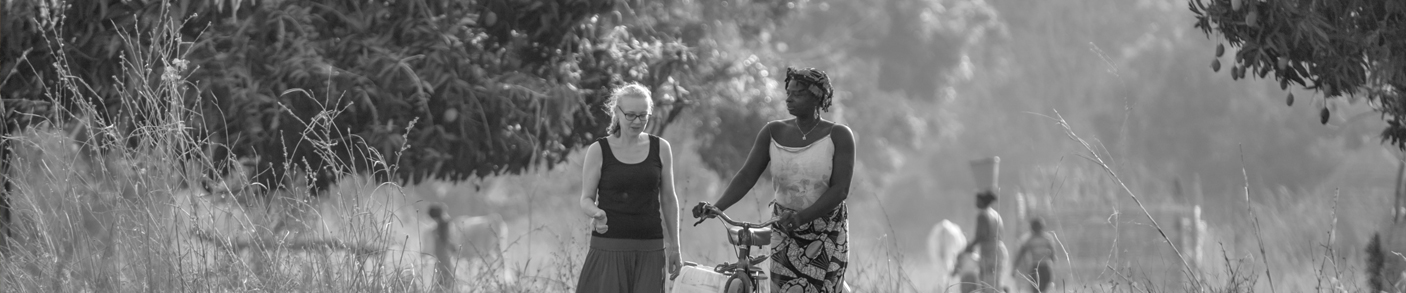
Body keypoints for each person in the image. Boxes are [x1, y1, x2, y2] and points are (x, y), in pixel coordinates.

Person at [693, 67, 855, 292]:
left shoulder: (839, 135)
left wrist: (802, 218)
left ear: (817, 97)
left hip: (826, 230)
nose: (789, 98)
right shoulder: (773, 132)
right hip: (785, 226)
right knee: (783, 287)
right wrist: (715, 207)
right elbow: (747, 176)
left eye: (797, 93)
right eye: (788, 92)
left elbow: (840, 190)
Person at [575, 83, 683, 293]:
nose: (637, 121)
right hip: (609, 247)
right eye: (631, 115)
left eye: (643, 116)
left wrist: (675, 248)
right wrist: (596, 213)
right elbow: (586, 199)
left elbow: (669, 199)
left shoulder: (661, 148)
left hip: (650, 248)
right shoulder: (599, 150)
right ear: (616, 112)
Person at [959, 191, 1008, 293]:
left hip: (990, 253)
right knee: (996, 283)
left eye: (977, 200)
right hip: (1000, 250)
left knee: (987, 285)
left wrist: (967, 248)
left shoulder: (982, 215)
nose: (975, 203)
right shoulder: (996, 214)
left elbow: (981, 235)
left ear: (982, 201)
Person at [1011, 218, 1055, 293]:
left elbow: (1020, 254)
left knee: (1040, 288)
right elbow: (1053, 255)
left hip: (1039, 267)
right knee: (1042, 289)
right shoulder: (1046, 238)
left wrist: (1015, 268)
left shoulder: (1029, 239)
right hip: (1040, 267)